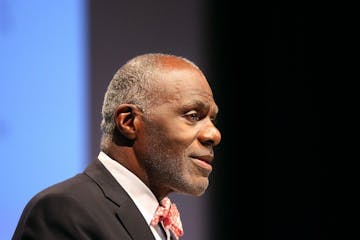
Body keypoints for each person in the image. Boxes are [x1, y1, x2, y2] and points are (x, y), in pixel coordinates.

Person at [12, 53, 221, 240]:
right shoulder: (63, 210)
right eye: (193, 115)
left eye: (212, 120)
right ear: (128, 122)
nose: (214, 134)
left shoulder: (162, 227)